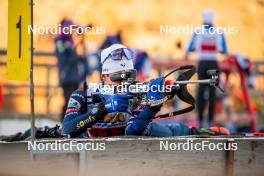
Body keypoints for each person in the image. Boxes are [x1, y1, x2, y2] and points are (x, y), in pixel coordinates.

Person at [62, 44, 229, 138]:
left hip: (129, 148)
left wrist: (154, 105)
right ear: (104, 77)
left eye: (129, 77)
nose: (125, 83)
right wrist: (104, 109)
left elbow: (134, 131)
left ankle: (196, 131)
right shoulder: (82, 94)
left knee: (169, 132)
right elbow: (68, 129)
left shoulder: (136, 92)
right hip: (91, 155)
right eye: (118, 78)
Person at [184, 10, 228, 128]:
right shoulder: (219, 32)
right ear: (213, 19)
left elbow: (190, 48)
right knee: (213, 92)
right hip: (213, 64)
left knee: (201, 91)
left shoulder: (198, 32)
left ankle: (200, 121)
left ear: (203, 19)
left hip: (202, 64)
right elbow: (224, 51)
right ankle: (210, 122)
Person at [55, 18, 81, 122]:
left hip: (74, 76)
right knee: (67, 100)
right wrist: (68, 48)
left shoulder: (72, 41)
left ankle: (73, 119)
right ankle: (64, 120)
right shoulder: (60, 41)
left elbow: (76, 58)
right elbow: (62, 56)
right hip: (66, 76)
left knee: (75, 99)